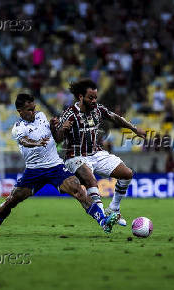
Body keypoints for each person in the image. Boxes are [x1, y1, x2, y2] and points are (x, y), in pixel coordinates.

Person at [0, 94, 119, 237]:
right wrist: (37, 143)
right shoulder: (18, 128)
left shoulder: (41, 116)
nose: (33, 112)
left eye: (34, 108)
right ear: (20, 112)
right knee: (12, 200)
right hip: (33, 171)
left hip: (55, 167)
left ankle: (103, 221)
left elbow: (56, 137)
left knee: (78, 190)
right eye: (29, 110)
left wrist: (54, 127)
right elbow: (24, 141)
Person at [51, 79, 146, 227]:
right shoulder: (69, 114)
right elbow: (57, 139)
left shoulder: (97, 109)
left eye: (96, 97)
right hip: (75, 157)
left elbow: (114, 117)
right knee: (91, 180)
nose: (94, 100)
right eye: (91, 97)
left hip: (97, 153)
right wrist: (61, 128)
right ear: (81, 97)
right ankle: (103, 219)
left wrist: (134, 129)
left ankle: (114, 207)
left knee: (127, 174)